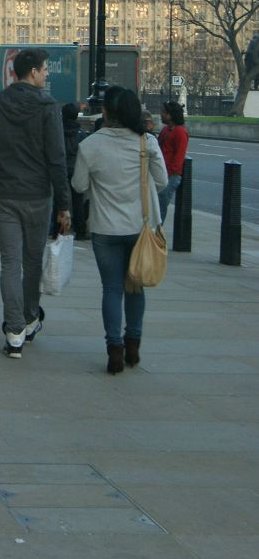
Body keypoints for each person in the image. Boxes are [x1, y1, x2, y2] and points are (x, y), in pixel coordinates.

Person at [0, 48, 71, 358]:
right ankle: (29, 317)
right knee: (31, 261)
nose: (46, 75)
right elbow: (57, 158)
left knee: (9, 263)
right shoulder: (47, 107)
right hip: (38, 195)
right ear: (33, 72)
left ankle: (13, 330)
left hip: (4, 194)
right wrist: (64, 204)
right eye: (44, 70)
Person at [72, 86, 168, 374]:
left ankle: (114, 348)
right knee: (135, 286)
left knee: (111, 289)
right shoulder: (146, 143)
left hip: (105, 228)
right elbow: (161, 181)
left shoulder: (90, 145)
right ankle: (134, 344)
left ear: (104, 112)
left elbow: (79, 185)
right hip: (140, 226)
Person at [157, 100, 188, 223]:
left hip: (170, 175)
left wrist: (170, 173)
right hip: (162, 171)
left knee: (161, 205)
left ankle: (156, 234)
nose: (161, 115)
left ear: (171, 115)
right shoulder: (165, 130)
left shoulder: (180, 131)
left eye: (164, 112)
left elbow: (179, 155)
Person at [61, 102, 88, 239]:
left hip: (61, 167)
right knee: (78, 201)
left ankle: (58, 228)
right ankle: (80, 230)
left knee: (60, 199)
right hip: (77, 167)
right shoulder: (81, 133)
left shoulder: (58, 131)